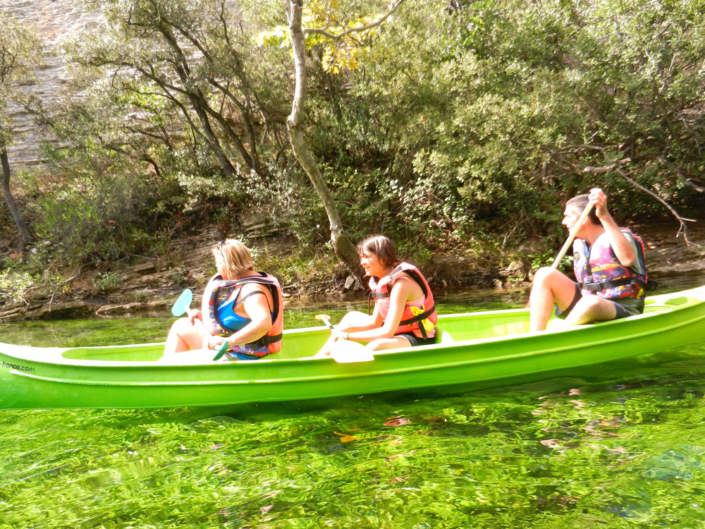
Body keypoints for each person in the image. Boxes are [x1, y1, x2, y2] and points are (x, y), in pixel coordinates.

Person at [529, 188, 650, 332]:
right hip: (586, 302)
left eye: (568, 216)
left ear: (584, 219)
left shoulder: (620, 236)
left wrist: (604, 215)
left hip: (622, 307)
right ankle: (535, 335)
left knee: (590, 302)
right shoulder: (580, 244)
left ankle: (556, 337)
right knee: (544, 273)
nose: (563, 222)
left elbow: (628, 259)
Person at [316, 235, 437, 356]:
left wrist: (347, 336)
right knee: (350, 317)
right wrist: (344, 331)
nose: (362, 262)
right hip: (397, 331)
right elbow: (375, 323)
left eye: (367, 257)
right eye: (361, 257)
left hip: (417, 336)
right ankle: (318, 360)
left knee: (377, 345)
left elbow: (387, 332)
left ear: (383, 258)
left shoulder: (401, 284)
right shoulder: (380, 282)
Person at [164, 239, 284, 360]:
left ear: (224, 264)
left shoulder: (251, 290)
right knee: (181, 326)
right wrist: (204, 319)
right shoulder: (241, 284)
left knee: (169, 361)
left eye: (217, 265)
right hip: (230, 349)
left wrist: (230, 341)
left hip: (241, 355)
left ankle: (167, 372)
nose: (218, 270)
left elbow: (263, 323)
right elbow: (236, 319)